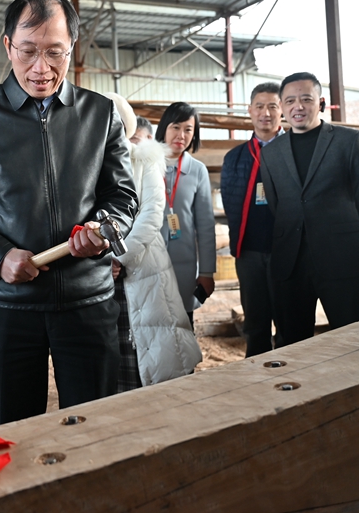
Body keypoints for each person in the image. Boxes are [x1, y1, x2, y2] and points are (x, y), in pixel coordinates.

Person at [0, 0, 137, 426]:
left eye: (55, 52)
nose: (41, 68)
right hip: (9, 305)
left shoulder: (101, 114)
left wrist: (102, 232)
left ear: (72, 48)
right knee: (15, 427)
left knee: (92, 428)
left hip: (89, 301)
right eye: (27, 51)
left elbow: (123, 196)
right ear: (8, 46)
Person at [260, 72, 359, 346]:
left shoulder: (349, 141)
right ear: (283, 107)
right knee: (292, 340)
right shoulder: (271, 152)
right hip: (291, 259)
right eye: (290, 101)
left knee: (349, 337)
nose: (297, 106)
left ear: (320, 103)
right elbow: (277, 204)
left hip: (340, 256)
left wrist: (342, 230)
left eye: (305, 99)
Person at [106, 93, 200, 392]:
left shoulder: (144, 159)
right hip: (95, 272)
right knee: (109, 360)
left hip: (139, 266)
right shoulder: (77, 163)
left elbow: (151, 215)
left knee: (148, 352)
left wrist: (119, 258)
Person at [220, 82, 283, 356]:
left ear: (282, 110)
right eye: (259, 106)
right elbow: (229, 201)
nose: (265, 113)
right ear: (250, 111)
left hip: (287, 252)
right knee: (255, 323)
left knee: (288, 322)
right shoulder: (235, 157)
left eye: (272, 106)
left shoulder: (293, 149)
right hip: (249, 252)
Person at [155, 102, 216, 329]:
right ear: (164, 128)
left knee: (183, 329)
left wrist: (207, 271)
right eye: (176, 127)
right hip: (149, 263)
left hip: (185, 266)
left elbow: (206, 225)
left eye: (188, 129)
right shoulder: (146, 164)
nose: (181, 135)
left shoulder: (198, 170)